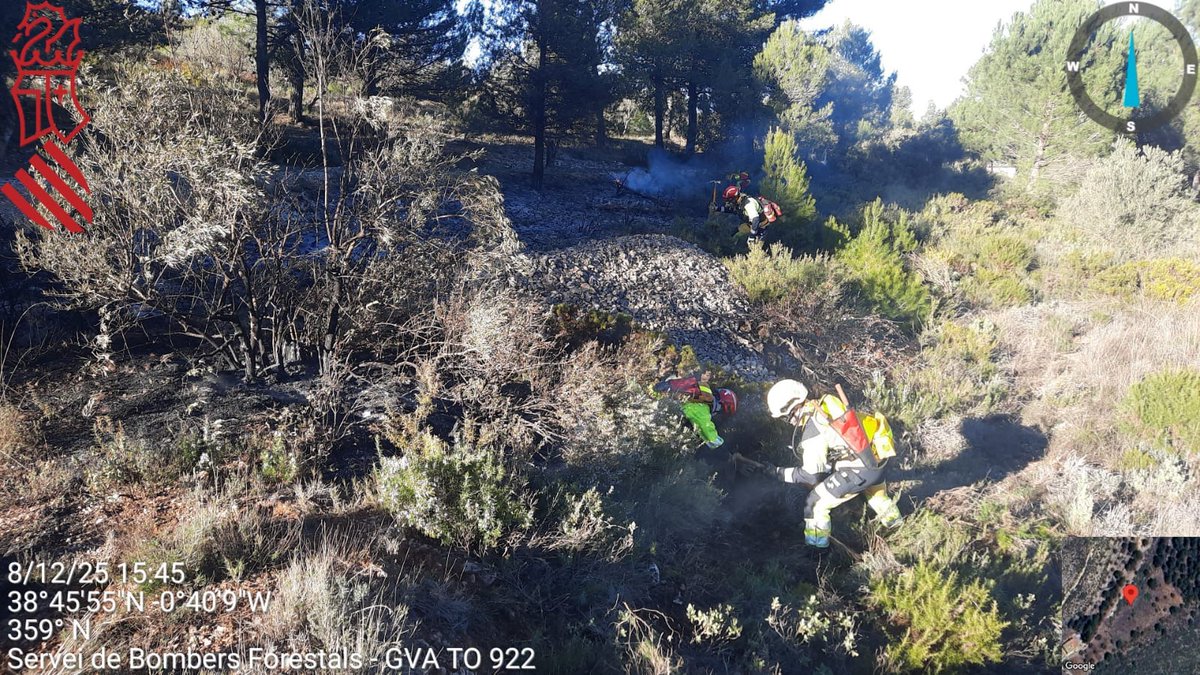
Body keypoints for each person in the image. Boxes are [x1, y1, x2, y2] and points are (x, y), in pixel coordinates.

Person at [761, 379, 902, 548]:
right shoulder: (827, 403)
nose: (788, 421)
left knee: (815, 503)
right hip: (878, 457)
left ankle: (817, 548)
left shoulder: (813, 429)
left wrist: (778, 472)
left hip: (861, 469)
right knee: (878, 496)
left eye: (786, 417)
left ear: (794, 409)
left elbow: (811, 476)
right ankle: (897, 527)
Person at [654, 375, 737, 450]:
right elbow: (707, 431)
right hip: (669, 413)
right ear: (721, 407)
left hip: (665, 403)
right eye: (721, 413)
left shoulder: (702, 393)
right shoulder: (704, 408)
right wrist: (721, 446)